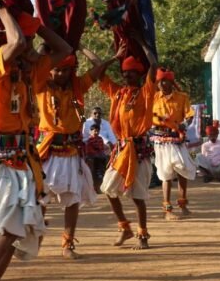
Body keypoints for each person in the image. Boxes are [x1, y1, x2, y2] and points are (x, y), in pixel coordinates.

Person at [0, 4, 68, 281]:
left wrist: (35, 25)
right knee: (8, 228)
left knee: (14, 230)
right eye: (27, 40)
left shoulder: (25, 73)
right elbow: (17, 43)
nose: (30, 46)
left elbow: (63, 50)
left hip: (22, 158)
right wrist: (2, 10)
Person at [34, 49, 113, 259]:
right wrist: (53, 46)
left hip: (70, 152)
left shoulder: (78, 86)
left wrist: (80, 48)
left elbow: (99, 67)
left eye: (65, 71)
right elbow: (35, 60)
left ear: (72, 71)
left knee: (72, 200)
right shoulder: (40, 85)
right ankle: (35, 238)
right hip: (47, 151)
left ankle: (67, 244)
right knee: (39, 198)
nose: (60, 75)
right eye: (56, 70)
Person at [98, 44, 159, 250]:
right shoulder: (117, 93)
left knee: (138, 196)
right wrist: (113, 57)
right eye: (124, 73)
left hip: (139, 151)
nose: (127, 77)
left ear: (139, 75)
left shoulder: (146, 92)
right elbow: (98, 70)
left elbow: (154, 65)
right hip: (122, 151)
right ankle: (125, 227)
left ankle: (143, 235)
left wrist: (143, 42)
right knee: (108, 188)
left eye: (131, 73)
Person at [149, 67, 197, 220]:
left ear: (171, 82)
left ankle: (183, 204)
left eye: (165, 81)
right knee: (166, 173)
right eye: (160, 81)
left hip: (178, 139)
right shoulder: (153, 98)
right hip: (161, 140)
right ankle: (167, 209)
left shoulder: (182, 97)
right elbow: (148, 117)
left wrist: (184, 124)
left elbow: (189, 115)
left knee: (183, 168)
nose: (162, 84)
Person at [84, 124, 109, 193]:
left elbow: (102, 149)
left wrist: (102, 154)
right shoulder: (89, 140)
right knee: (92, 172)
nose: (96, 132)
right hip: (92, 158)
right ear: (90, 131)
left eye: (98, 131)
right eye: (95, 131)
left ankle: (101, 186)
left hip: (100, 157)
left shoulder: (100, 139)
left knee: (103, 169)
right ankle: (93, 188)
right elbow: (89, 151)